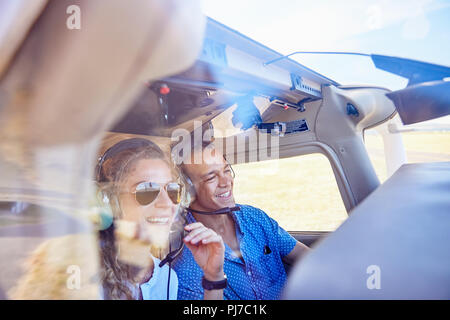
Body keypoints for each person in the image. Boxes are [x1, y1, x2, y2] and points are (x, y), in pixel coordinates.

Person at [172, 143, 310, 299]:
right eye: (211, 177)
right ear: (187, 190)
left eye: (226, 170)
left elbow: (302, 254)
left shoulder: (255, 217)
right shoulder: (184, 262)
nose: (226, 182)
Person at [96, 138, 225, 300]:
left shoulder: (166, 278)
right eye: (147, 190)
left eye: (172, 190)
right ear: (110, 202)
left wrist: (214, 276)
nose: (167, 204)